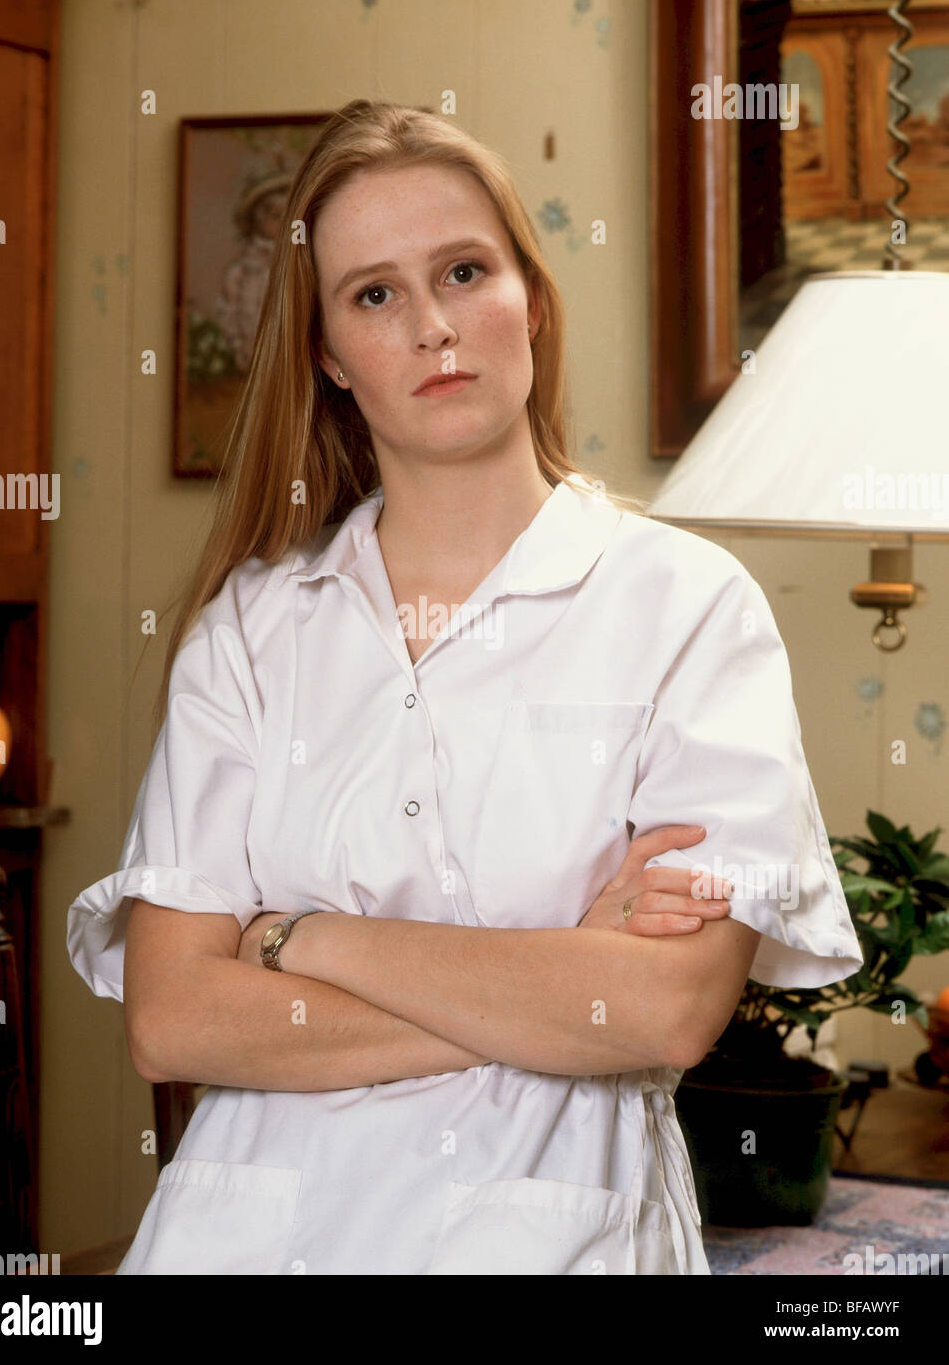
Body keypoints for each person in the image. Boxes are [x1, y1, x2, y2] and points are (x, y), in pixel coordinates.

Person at [67, 98, 863, 1275]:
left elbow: (664, 1011)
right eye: (374, 294)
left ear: (529, 300)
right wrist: (550, 976)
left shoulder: (688, 607)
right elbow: (173, 1018)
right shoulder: (249, 630)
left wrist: (293, 938)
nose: (434, 325)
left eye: (463, 270)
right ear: (329, 355)